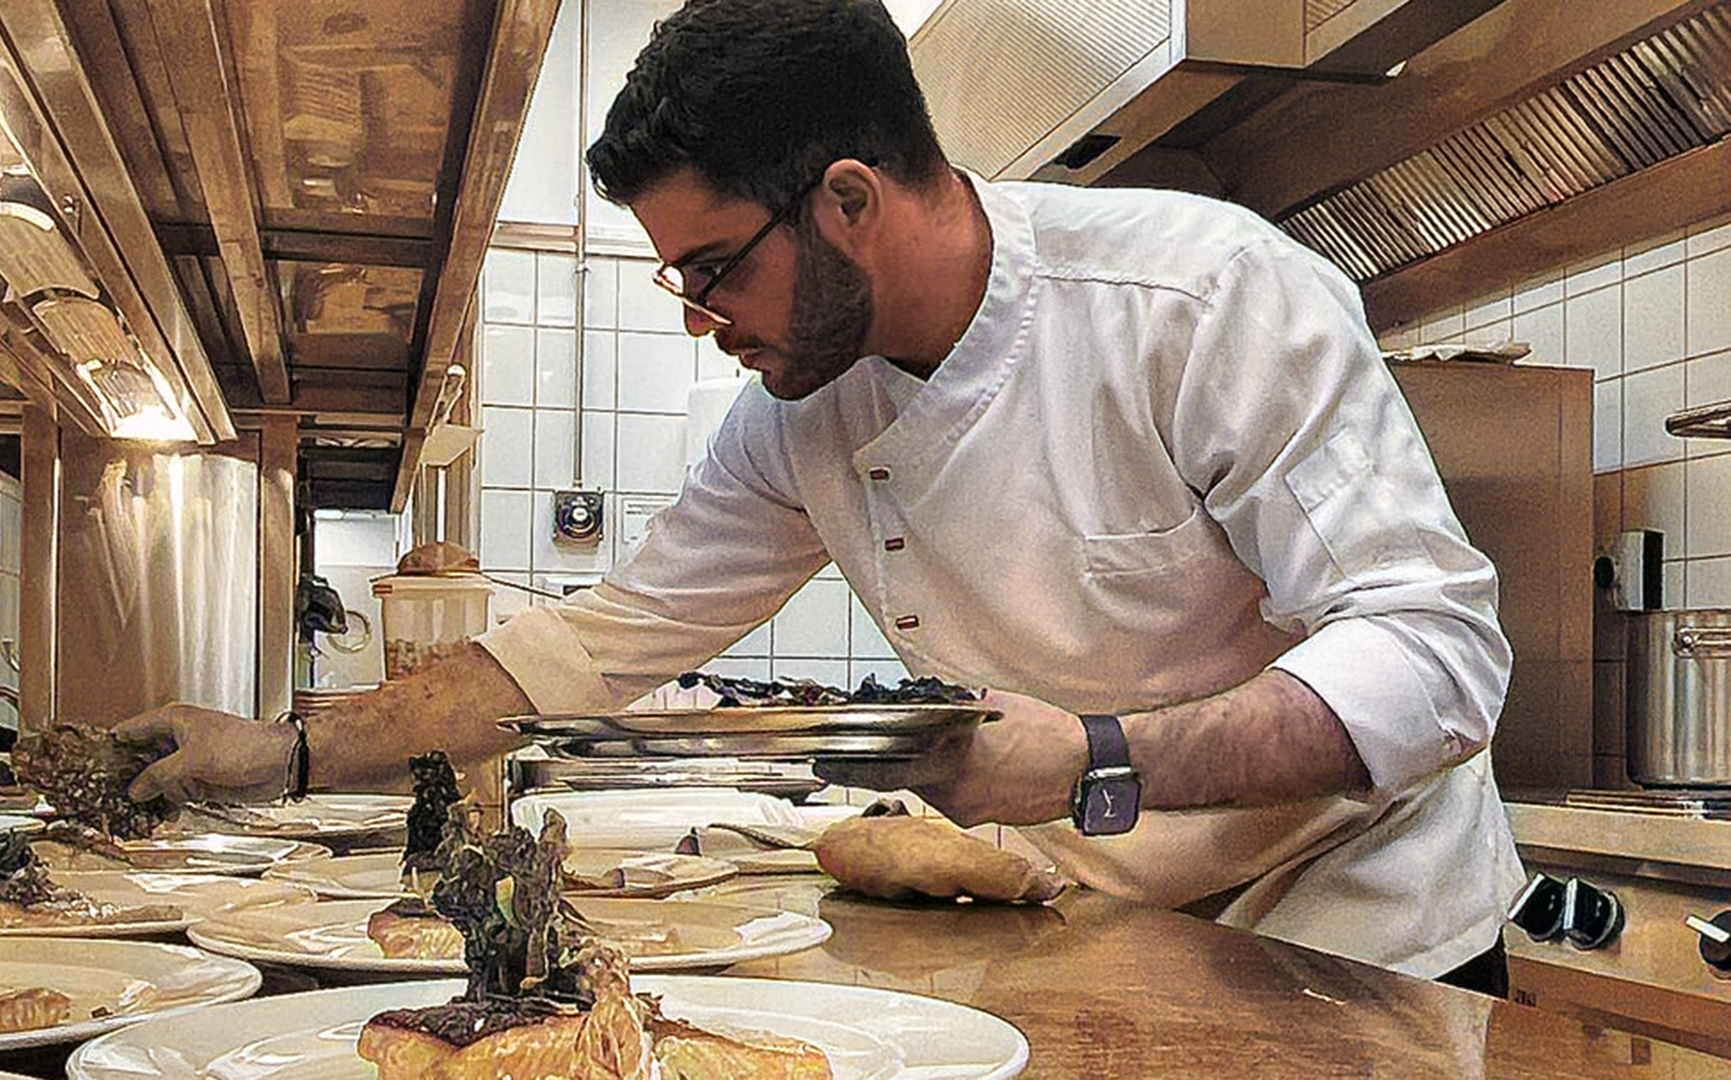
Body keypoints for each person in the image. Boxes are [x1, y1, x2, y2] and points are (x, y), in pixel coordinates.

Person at [119, 0, 1522, 994]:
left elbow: (1437, 654)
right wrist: (286, 756)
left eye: (713, 267)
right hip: (1103, 926)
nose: (697, 317)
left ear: (848, 199)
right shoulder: (796, 418)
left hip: (1356, 942)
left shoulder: (1196, 299)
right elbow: (588, 649)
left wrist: (1094, 758)